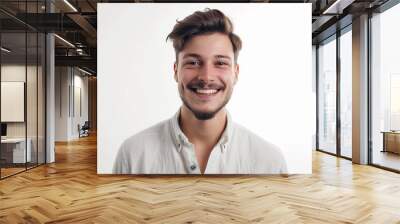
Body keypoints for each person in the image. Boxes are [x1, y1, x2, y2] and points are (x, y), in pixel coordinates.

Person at [113, 8, 287, 174]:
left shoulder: (270, 162)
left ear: (236, 73)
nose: (206, 77)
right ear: (175, 71)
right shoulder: (132, 155)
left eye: (220, 63)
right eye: (193, 62)